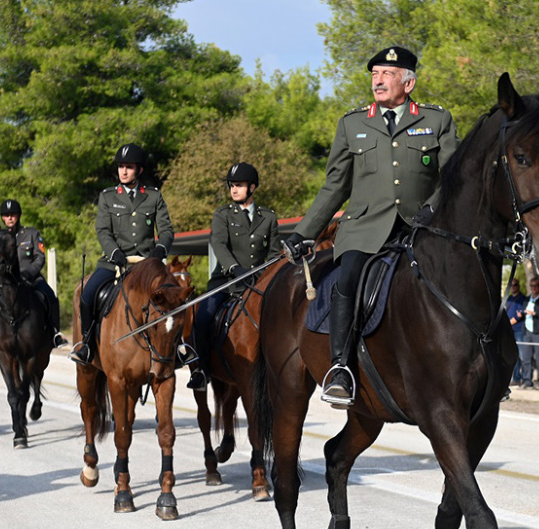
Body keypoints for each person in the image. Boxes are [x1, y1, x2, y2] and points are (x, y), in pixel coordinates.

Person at [279, 46, 459, 406]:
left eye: (387, 74)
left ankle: (483, 359)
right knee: (348, 280)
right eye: (375, 74)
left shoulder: (436, 120)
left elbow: (453, 177)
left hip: (420, 227)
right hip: (364, 228)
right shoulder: (353, 123)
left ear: (408, 82)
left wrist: (431, 209)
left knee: (462, 275)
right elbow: (335, 186)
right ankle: (341, 368)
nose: (378, 80)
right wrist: (305, 232)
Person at [71, 144, 174, 365]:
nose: (123, 171)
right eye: (121, 167)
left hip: (148, 265)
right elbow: (103, 230)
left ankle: (182, 347)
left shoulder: (154, 196)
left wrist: (160, 250)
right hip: (114, 263)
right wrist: (114, 251)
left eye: (129, 167)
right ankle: (87, 346)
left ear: (139, 170)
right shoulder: (107, 197)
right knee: (87, 295)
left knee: (176, 294)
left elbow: (166, 230)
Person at [187, 162, 279, 391]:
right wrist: (235, 269)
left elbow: (275, 253)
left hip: (258, 285)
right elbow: (218, 244)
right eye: (232, 185)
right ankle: (201, 370)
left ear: (252, 188)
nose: (234, 189)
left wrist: (262, 276)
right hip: (226, 283)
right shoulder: (223, 215)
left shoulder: (268, 218)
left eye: (239, 185)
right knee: (203, 318)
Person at [0, 199, 65, 351]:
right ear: (2, 217)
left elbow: (40, 257)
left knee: (50, 295)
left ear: (18, 215)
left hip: (31, 278)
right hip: (5, 281)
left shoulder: (31, 233)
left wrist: (29, 273)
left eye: (12, 214)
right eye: (6, 215)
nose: (10, 218)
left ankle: (55, 333)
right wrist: (0, 275)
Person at [519, 279, 539, 389]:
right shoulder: (527, 299)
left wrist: (535, 313)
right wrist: (521, 314)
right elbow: (524, 311)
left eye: (536, 286)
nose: (534, 288)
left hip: (538, 332)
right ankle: (527, 380)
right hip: (527, 331)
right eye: (532, 286)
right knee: (526, 358)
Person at [505, 279, 527, 384]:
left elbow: (519, 315)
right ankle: (516, 377)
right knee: (513, 356)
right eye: (511, 285)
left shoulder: (522, 298)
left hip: (518, 330)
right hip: (510, 331)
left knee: (522, 355)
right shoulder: (509, 298)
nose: (513, 287)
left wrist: (507, 324)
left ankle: (525, 378)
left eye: (515, 285)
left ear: (518, 286)